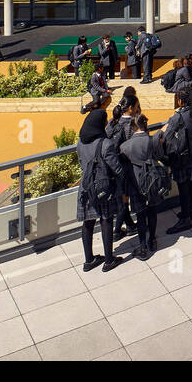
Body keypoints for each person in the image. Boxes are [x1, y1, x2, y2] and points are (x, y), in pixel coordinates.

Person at [75, 101, 126, 273]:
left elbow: (82, 163)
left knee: (88, 223)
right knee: (106, 220)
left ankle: (89, 260)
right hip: (103, 188)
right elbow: (116, 167)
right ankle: (109, 260)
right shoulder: (105, 144)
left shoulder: (80, 143)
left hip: (86, 187)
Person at [119, 114, 166, 259]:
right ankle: (152, 239)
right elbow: (159, 156)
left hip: (136, 184)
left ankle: (143, 246)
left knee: (140, 216)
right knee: (152, 211)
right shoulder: (152, 141)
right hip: (152, 181)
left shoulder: (124, 146)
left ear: (133, 128)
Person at [163, 90, 192, 234]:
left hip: (183, 157)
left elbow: (167, 136)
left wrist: (170, 122)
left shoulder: (177, 118)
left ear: (180, 101)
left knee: (183, 188)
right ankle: (190, 210)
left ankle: (186, 218)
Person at [109, 89, 141, 241]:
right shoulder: (131, 124)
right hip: (126, 165)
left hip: (114, 165)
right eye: (136, 106)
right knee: (125, 198)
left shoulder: (113, 121)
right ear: (130, 108)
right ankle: (116, 231)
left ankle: (129, 225)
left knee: (122, 198)